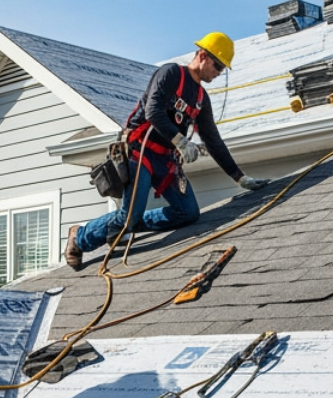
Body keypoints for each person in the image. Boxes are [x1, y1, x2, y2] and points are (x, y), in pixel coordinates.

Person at [66, 32, 268, 270]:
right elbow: (153, 111)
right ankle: (80, 237)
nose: (219, 72)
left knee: (188, 212)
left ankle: (123, 227)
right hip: (140, 152)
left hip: (166, 160)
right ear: (202, 56)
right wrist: (181, 141)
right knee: (129, 216)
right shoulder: (171, 74)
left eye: (223, 68)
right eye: (218, 65)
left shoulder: (201, 98)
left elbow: (213, 140)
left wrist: (239, 177)